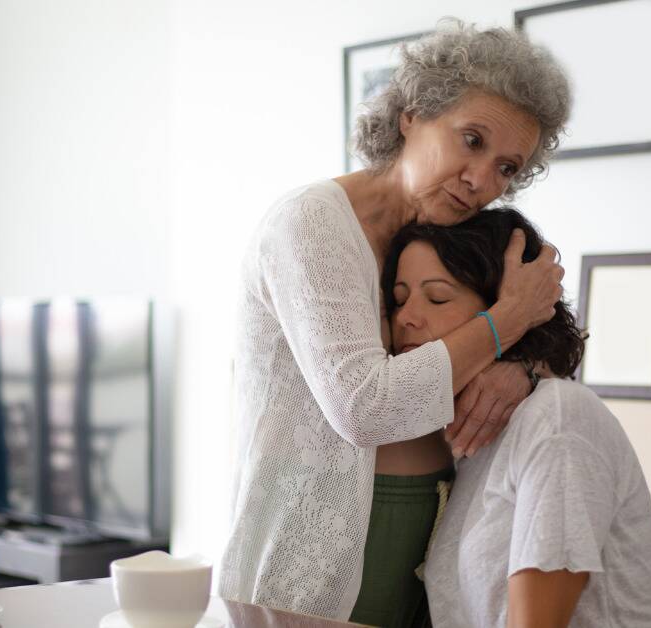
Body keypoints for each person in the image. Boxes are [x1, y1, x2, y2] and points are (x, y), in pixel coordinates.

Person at [219, 20, 574, 623]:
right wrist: (506, 321)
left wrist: (524, 369)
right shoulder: (311, 224)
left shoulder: (448, 235)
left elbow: (552, 331)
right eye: (471, 140)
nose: (482, 180)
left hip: (434, 532)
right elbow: (365, 407)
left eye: (507, 168)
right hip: (312, 547)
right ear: (411, 115)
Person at [381, 210, 651, 627]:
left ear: (508, 313)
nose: (406, 316)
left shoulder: (557, 421)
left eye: (438, 297)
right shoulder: (466, 433)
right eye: (400, 298)